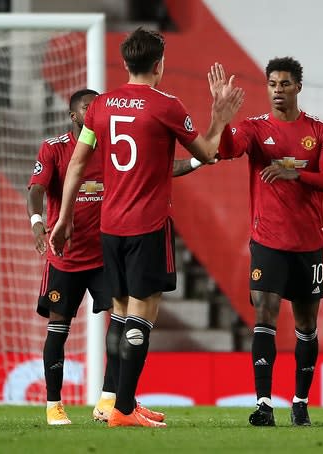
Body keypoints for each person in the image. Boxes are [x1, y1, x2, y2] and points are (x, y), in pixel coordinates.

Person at [49, 28, 243, 428]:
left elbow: (78, 163)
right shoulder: (166, 106)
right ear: (160, 64)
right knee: (141, 317)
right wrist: (220, 117)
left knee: (120, 314)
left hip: (110, 227)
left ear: (125, 63)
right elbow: (207, 153)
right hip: (147, 226)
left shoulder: (100, 106)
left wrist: (64, 218)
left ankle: (121, 403)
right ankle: (122, 410)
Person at [211, 57, 323, 427]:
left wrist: (293, 173)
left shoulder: (321, 131)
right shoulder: (254, 129)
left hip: (308, 245)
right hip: (267, 242)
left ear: (298, 87)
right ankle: (264, 404)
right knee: (264, 314)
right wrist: (220, 117)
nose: (278, 90)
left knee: (306, 325)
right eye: (272, 84)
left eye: (285, 84)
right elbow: (226, 150)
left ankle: (300, 403)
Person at [28, 89, 116, 426]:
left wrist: (197, 160)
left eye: (98, 106)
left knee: (122, 322)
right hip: (64, 257)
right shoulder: (54, 149)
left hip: (105, 256)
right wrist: (38, 225)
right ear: (73, 116)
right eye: (87, 106)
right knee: (58, 329)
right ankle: (54, 405)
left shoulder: (111, 149)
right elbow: (36, 189)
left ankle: (107, 401)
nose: (94, 110)